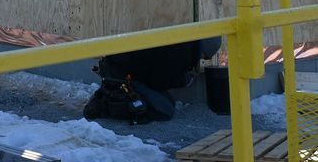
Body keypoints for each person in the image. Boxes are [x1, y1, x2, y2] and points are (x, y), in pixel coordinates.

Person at [82, 37, 222, 123]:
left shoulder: (183, 42)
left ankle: (113, 97)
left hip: (124, 68)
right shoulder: (182, 52)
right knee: (165, 111)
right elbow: (157, 81)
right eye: (205, 56)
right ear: (204, 49)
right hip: (123, 75)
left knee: (168, 103)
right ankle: (105, 104)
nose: (202, 60)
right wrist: (183, 80)